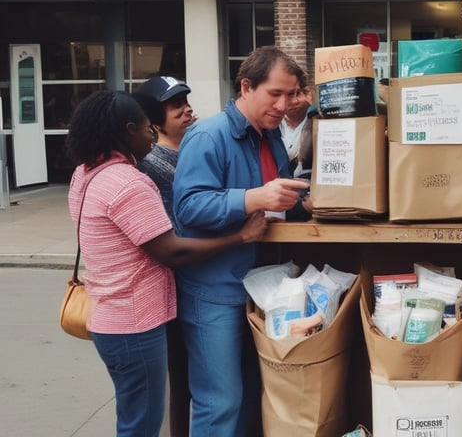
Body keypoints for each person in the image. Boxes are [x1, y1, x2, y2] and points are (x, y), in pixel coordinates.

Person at [64, 90, 268, 437]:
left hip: (109, 318)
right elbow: (172, 251)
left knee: (135, 415)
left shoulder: (85, 173)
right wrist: (240, 238)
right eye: (147, 129)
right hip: (134, 324)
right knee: (141, 422)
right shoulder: (128, 182)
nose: (152, 137)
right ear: (129, 129)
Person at [172, 46, 312, 437]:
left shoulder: (267, 137)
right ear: (246, 86)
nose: (285, 104)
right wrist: (253, 197)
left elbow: (280, 200)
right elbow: (188, 207)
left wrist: (308, 202)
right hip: (214, 290)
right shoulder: (208, 134)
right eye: (275, 94)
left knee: (252, 391)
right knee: (220, 400)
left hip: (262, 287)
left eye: (292, 94)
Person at [133, 75, 196, 437]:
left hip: (198, 274)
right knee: (181, 375)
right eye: (176, 107)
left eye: (186, 102)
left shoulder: (197, 149)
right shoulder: (152, 167)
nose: (187, 110)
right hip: (176, 282)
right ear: (155, 122)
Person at [279, 79, 314, 181]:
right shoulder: (270, 124)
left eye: (300, 93)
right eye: (290, 94)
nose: (295, 101)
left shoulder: (317, 123)